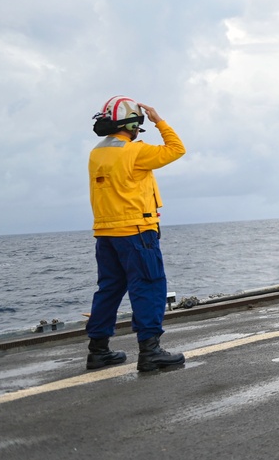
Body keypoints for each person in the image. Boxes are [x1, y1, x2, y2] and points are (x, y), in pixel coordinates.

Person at [85, 96, 187, 372]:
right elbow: (177, 149)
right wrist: (159, 122)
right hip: (137, 232)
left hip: (105, 233)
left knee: (109, 289)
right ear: (132, 124)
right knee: (149, 286)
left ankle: (98, 351)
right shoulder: (135, 152)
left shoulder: (97, 153)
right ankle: (150, 352)